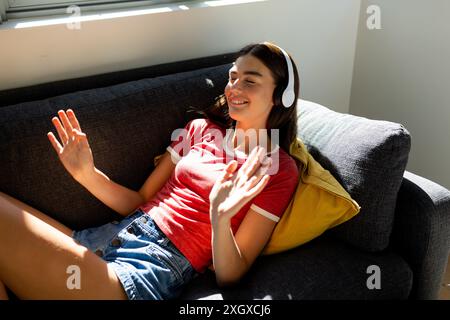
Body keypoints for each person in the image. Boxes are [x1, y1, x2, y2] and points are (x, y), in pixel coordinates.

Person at [0, 42, 300, 300]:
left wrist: (219, 217)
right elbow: (141, 199)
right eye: (232, 77)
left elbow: (230, 277)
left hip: (145, 269)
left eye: (250, 80)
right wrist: (87, 174)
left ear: (280, 95)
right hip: (106, 238)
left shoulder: (277, 169)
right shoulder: (199, 130)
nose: (234, 87)